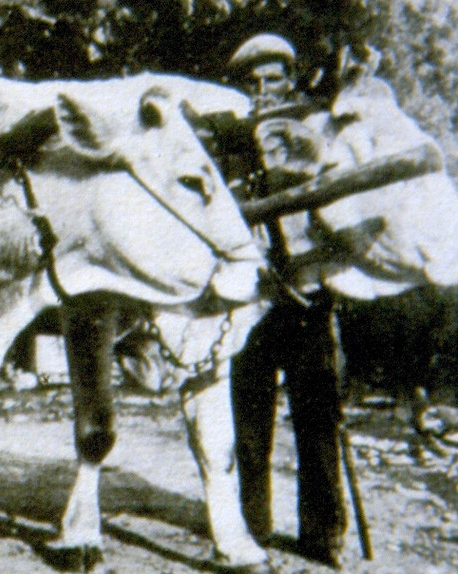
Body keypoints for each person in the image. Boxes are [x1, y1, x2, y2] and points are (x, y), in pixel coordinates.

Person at [225, 33, 347, 568]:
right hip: (253, 298)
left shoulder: (314, 135)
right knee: (249, 421)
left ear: (290, 80)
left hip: (308, 292)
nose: (263, 91)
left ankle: (324, 535)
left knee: (317, 416)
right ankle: (252, 528)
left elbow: (339, 210)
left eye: (273, 79)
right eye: (252, 82)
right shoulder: (229, 144)